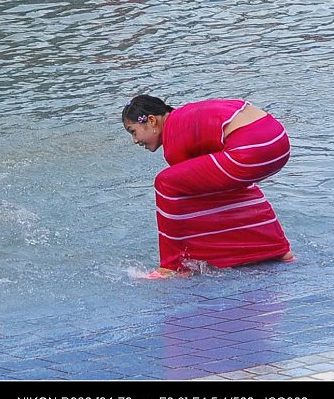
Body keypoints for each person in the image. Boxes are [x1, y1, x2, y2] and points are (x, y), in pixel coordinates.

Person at [122, 94, 294, 278]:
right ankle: (277, 249)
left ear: (151, 121)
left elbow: (190, 199)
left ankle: (170, 267)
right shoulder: (183, 117)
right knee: (223, 186)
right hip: (279, 143)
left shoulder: (173, 139)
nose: (135, 140)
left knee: (166, 184)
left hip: (252, 148)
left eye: (133, 131)